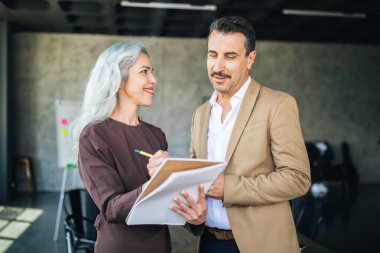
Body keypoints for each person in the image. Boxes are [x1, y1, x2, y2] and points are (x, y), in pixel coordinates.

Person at [171, 16, 311, 253]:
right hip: (207, 243)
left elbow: (298, 178)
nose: (218, 67)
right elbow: (198, 179)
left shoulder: (278, 104)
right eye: (212, 54)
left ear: (250, 59)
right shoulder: (201, 114)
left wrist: (228, 188)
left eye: (230, 56)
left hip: (261, 245)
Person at [71, 41, 183, 253]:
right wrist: (156, 183)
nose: (153, 80)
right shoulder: (93, 136)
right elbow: (111, 208)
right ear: (119, 79)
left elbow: (165, 203)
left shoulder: (156, 135)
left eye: (152, 72)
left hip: (160, 245)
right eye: (144, 72)